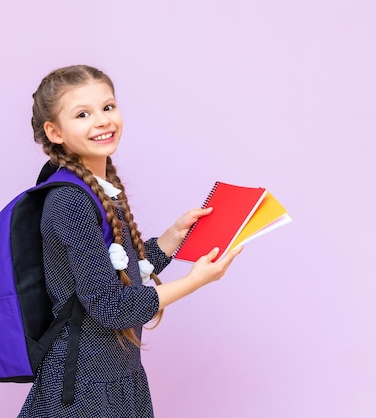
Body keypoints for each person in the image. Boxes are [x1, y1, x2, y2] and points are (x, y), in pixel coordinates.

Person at [18, 64, 243, 417]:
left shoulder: (99, 187)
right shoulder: (70, 200)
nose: (103, 120)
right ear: (54, 131)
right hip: (83, 388)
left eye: (108, 107)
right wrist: (193, 282)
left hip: (118, 374)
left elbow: (119, 272)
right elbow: (111, 306)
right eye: (82, 114)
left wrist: (171, 238)